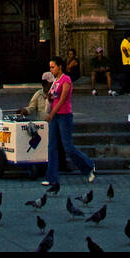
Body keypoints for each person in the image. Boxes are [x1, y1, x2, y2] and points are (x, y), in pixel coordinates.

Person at [43, 56, 96, 188]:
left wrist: (51, 114)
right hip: (55, 116)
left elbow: (62, 100)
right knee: (52, 146)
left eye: (53, 67)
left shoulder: (66, 80)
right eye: (50, 67)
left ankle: (88, 166)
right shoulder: (55, 81)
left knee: (68, 147)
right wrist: (49, 98)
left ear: (60, 66)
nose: (51, 70)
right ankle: (51, 177)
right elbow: (54, 98)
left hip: (64, 115)